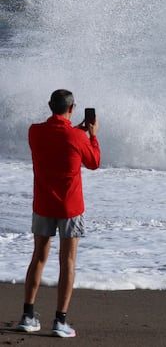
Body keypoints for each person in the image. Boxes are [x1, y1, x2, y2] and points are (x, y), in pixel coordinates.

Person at [17, 89, 100, 338]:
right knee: (68, 262)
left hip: (43, 204)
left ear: (49, 106)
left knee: (38, 258)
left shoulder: (35, 131)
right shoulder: (77, 137)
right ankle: (60, 320)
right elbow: (94, 161)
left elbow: (58, 138)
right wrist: (92, 136)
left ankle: (27, 315)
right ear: (72, 108)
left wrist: (76, 131)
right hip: (69, 207)